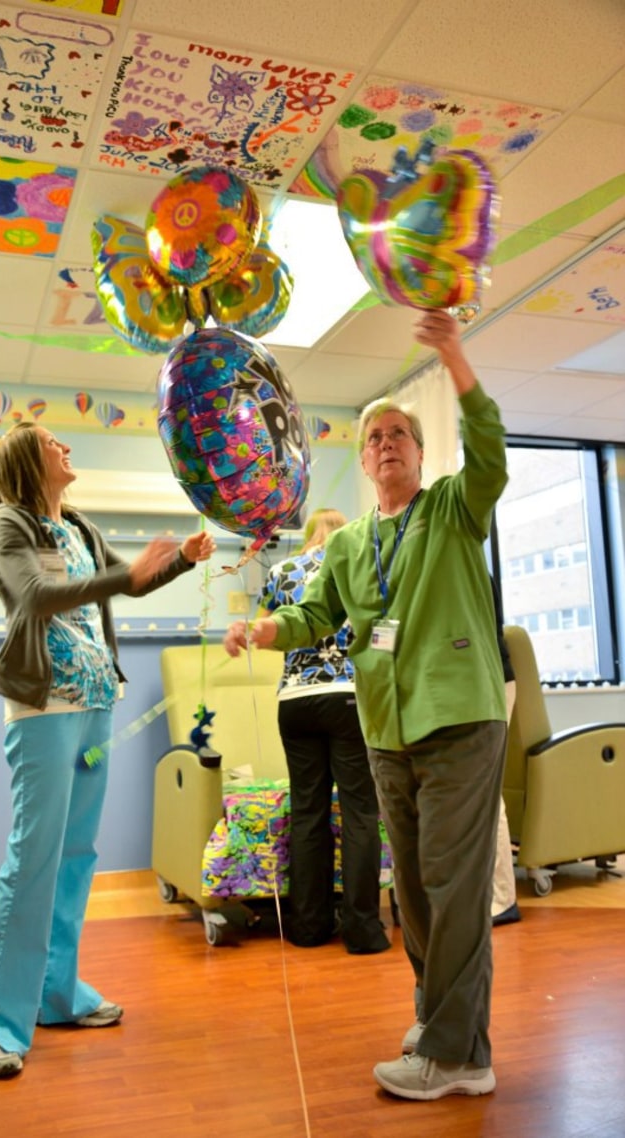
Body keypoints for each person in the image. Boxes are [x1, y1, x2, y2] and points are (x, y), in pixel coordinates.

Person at [225, 309, 508, 1101]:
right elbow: (317, 616)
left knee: (453, 882)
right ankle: (444, 1025)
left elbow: (491, 452)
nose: (385, 443)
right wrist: (264, 627)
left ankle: (456, 1054)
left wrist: (452, 355)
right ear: (363, 459)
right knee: (413, 885)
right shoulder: (347, 545)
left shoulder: (453, 508)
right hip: (385, 726)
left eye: (399, 436)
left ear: (421, 454)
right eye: (373, 437)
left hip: (458, 719)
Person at [0, 422, 215, 1079]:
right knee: (34, 859)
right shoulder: (7, 524)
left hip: (96, 704)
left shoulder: (78, 525)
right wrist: (126, 575)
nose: (66, 449)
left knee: (76, 855)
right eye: (54, 444)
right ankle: (0, 1022)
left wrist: (183, 561)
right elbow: (35, 595)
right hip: (44, 709)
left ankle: (56, 994)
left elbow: (127, 585)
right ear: (28, 459)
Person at [257, 507, 390, 955]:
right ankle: (362, 930)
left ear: (311, 532)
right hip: (349, 695)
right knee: (359, 812)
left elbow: (275, 625)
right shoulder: (357, 560)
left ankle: (309, 925)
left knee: (308, 811)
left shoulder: (280, 570)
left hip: (294, 701)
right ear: (344, 535)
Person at [491, 576, 521, 926]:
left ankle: (503, 898)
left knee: (486, 793)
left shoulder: (463, 557)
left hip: (489, 680)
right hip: (466, 683)